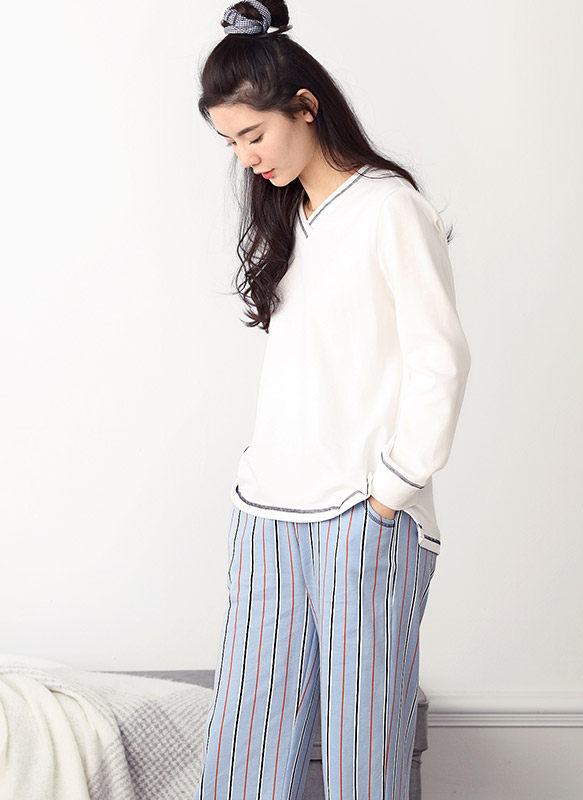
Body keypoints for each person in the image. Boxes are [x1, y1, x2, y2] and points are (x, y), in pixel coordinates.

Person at [192, 2, 471, 798]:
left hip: (362, 511)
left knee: (361, 747)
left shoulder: (390, 208)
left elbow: (440, 358)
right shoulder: (292, 218)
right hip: (268, 509)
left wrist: (392, 490)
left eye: (254, 135)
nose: (246, 157)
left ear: (306, 106)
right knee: (246, 743)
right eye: (231, 143)